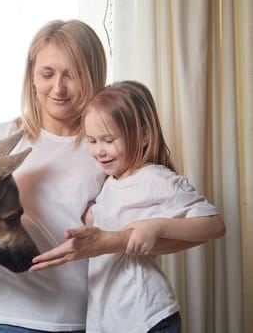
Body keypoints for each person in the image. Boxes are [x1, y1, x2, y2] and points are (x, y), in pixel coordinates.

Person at [0, 19, 108, 332]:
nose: (58, 87)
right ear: (31, 75)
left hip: (72, 321)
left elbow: (129, 239)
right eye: (48, 73)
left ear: (94, 76)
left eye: (72, 74)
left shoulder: (106, 151)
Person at [31, 80, 226, 332]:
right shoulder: (111, 183)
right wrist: (91, 215)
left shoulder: (154, 177)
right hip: (111, 318)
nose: (99, 151)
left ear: (144, 136)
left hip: (145, 316)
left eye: (108, 140)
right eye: (92, 141)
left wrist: (157, 227)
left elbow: (214, 225)